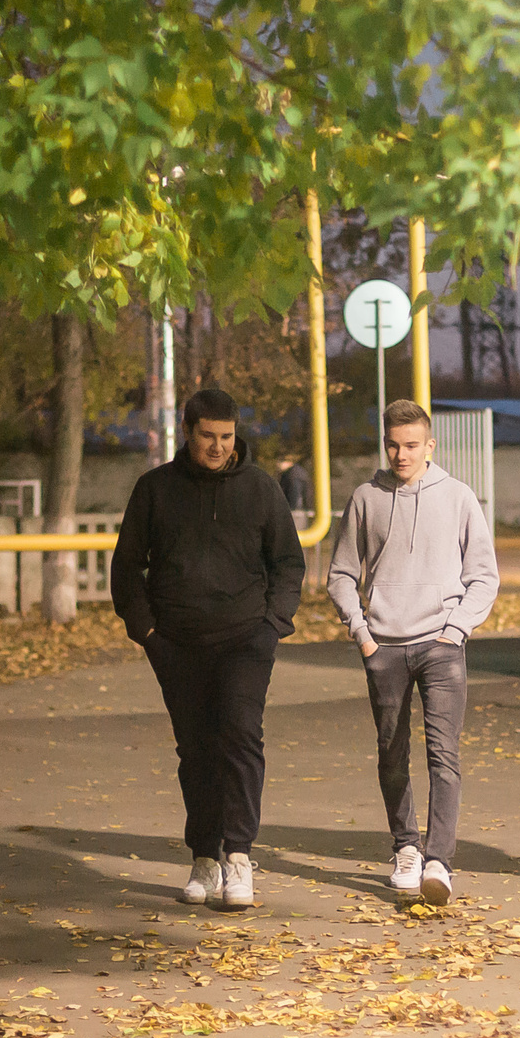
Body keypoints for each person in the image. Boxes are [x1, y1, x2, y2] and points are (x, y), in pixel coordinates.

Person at [112, 387, 306, 910]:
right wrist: (147, 633)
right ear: (187, 432)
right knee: (196, 749)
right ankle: (204, 856)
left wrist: (273, 625)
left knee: (240, 738)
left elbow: (289, 564)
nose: (218, 447)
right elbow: (127, 567)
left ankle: (239, 855)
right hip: (176, 643)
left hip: (246, 639)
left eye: (226, 436)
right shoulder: (156, 489)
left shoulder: (261, 490)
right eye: (208, 437)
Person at [328, 400, 500, 905]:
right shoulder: (366, 498)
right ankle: (406, 846)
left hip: (442, 646)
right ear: (385, 445)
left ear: (430, 445)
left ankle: (439, 860)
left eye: (411, 445)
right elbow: (341, 573)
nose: (401, 455)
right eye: (393, 445)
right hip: (384, 645)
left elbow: (483, 575)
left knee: (443, 754)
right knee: (392, 751)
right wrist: (362, 633)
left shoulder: (459, 497)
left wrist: (458, 628)